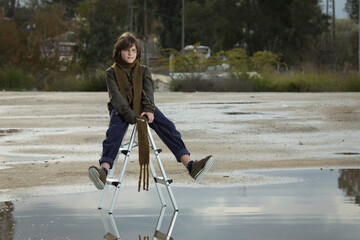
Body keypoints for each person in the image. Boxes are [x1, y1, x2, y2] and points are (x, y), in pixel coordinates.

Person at [88, 32, 214, 190]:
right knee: (113, 133)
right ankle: (103, 171)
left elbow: (148, 93)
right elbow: (116, 97)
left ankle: (191, 166)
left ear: (138, 53)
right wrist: (130, 115)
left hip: (143, 106)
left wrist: (149, 110)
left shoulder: (144, 70)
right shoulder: (111, 73)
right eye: (126, 50)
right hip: (121, 108)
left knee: (168, 127)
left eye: (133, 50)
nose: (130, 53)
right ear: (119, 52)